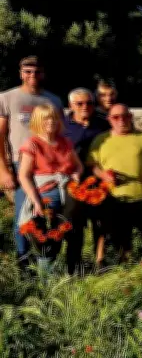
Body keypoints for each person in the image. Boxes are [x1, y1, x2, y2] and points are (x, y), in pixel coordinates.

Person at [0, 56, 64, 262]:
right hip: (21, 165)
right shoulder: (7, 98)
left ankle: (47, 263)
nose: (32, 75)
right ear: (20, 73)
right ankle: (24, 265)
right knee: (23, 215)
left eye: (36, 71)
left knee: (49, 214)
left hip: (51, 166)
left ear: (43, 73)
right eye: (27, 71)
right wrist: (3, 170)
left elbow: (61, 136)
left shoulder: (53, 100)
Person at [87, 104, 142, 261]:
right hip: (115, 198)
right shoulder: (101, 140)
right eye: (116, 117)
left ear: (130, 117)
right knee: (122, 242)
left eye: (125, 116)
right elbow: (92, 164)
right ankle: (125, 275)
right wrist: (103, 175)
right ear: (109, 120)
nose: (121, 120)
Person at [16, 104, 81, 269]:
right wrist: (36, 201)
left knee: (72, 228)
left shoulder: (65, 142)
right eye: (46, 118)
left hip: (67, 188)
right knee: (47, 234)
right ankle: (47, 278)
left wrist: (76, 175)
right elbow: (24, 175)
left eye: (53, 117)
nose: (51, 122)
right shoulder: (32, 144)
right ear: (38, 121)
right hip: (46, 190)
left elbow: (78, 166)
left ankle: (74, 270)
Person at [62, 87, 110, 273]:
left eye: (89, 103)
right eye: (79, 103)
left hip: (99, 179)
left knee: (101, 222)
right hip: (73, 182)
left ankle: (100, 260)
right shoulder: (62, 126)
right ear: (70, 105)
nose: (85, 107)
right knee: (74, 223)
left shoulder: (103, 124)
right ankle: (74, 263)